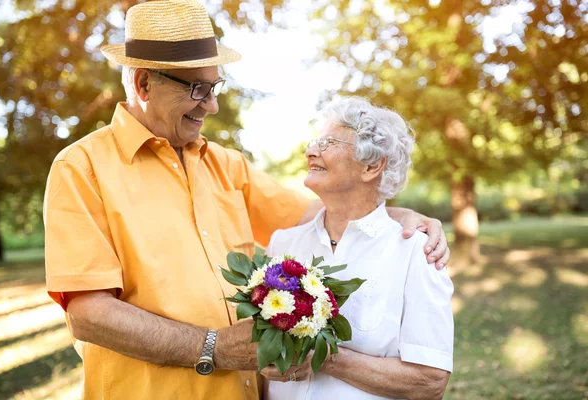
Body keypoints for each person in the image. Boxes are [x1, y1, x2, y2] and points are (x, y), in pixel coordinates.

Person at [43, 1, 450, 399]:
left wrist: (395, 213)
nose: (213, 105)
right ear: (144, 84)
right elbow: (89, 314)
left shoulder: (225, 164)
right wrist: (213, 348)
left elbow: (324, 214)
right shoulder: (82, 168)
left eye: (215, 87)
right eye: (198, 89)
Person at [262, 97, 454, 399]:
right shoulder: (282, 244)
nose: (311, 151)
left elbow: (429, 382)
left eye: (329, 143)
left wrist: (327, 358)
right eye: (315, 142)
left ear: (372, 165)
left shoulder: (416, 253)